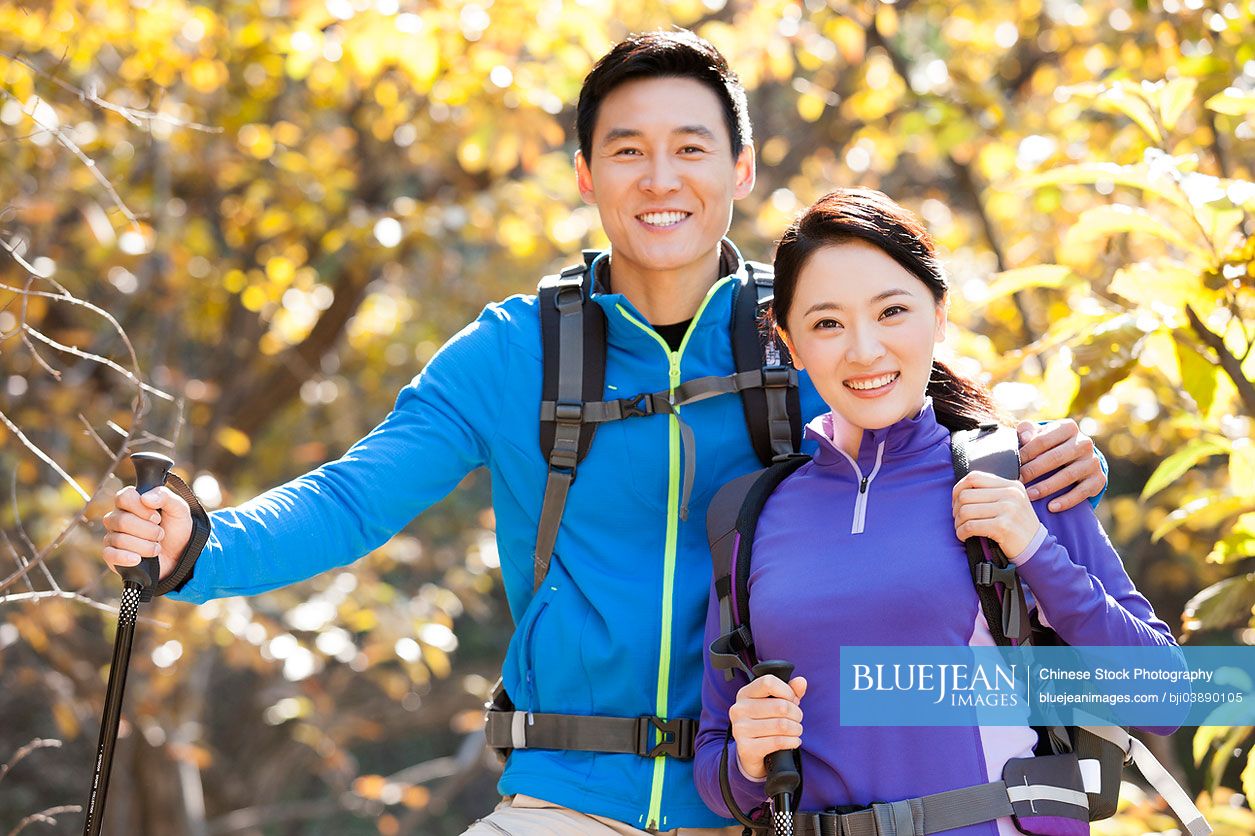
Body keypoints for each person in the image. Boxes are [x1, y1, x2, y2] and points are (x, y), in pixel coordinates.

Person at [101, 33, 1107, 836]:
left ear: (742, 168)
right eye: (626, 149)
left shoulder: (809, 329)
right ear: (584, 174)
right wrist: (202, 544)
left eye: (689, 147)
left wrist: (1045, 456)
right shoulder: (510, 351)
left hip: (770, 803)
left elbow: (924, 426)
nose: (658, 176)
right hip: (562, 797)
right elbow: (355, 495)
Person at [693, 189, 1176, 835]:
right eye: (827, 323)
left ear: (939, 313)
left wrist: (1035, 551)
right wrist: (749, 758)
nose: (863, 351)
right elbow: (714, 771)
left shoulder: (1018, 475)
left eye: (891, 311)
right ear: (790, 340)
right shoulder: (749, 516)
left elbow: (1170, 697)